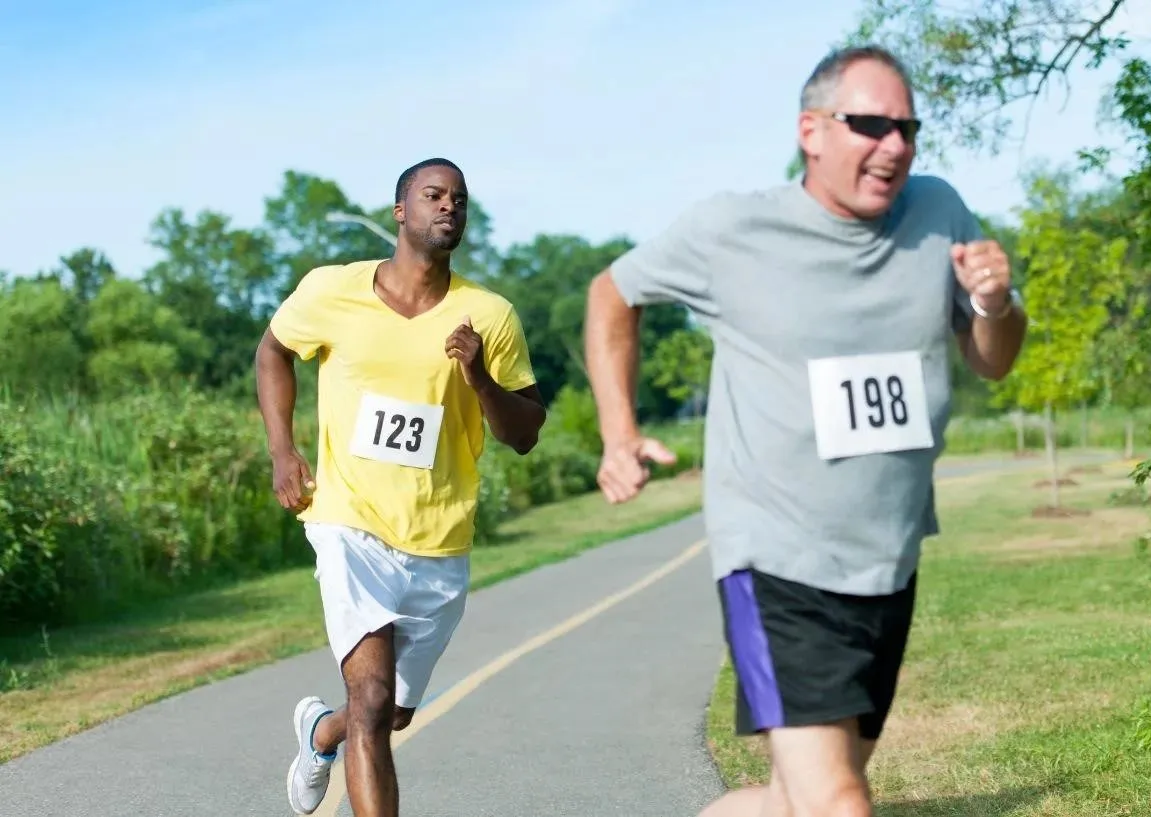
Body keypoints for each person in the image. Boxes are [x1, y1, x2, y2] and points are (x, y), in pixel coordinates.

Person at [583, 46, 1027, 817]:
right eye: (871, 125)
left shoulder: (938, 212)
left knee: (792, 799)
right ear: (811, 132)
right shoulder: (733, 230)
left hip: (887, 557)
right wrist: (618, 432)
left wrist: (994, 303)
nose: (895, 146)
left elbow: (993, 361)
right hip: (773, 561)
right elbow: (612, 293)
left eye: (908, 129)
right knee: (838, 802)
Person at [255, 157, 546, 817]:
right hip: (349, 520)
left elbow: (524, 432)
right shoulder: (333, 290)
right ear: (399, 210)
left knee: (390, 714)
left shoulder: (489, 315)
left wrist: (480, 379)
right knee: (373, 699)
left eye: (461, 200)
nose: (450, 207)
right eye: (434, 195)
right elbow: (272, 350)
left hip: (439, 538)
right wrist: (282, 448)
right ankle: (344, 728)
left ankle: (318, 732)